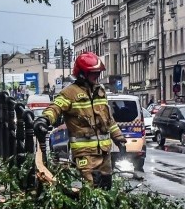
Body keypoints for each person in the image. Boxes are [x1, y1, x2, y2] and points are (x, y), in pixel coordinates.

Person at [32, 52, 127, 189]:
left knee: (106, 191)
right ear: (82, 74)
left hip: (105, 154)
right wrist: (44, 119)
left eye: (98, 73)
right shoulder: (69, 93)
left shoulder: (100, 91)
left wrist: (120, 140)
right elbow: (55, 108)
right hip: (85, 156)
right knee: (90, 191)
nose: (97, 77)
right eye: (93, 73)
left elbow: (109, 120)